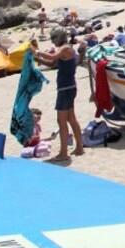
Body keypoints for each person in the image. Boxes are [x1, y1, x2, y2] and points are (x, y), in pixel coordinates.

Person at [38, 28, 84, 163]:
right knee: (71, 118)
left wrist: (37, 51)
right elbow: (52, 63)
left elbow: (52, 57)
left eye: (53, 39)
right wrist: (35, 58)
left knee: (61, 121)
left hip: (65, 89)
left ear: (59, 37)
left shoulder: (65, 48)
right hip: (69, 88)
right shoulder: (66, 49)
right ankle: (79, 148)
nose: (53, 42)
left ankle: (64, 153)